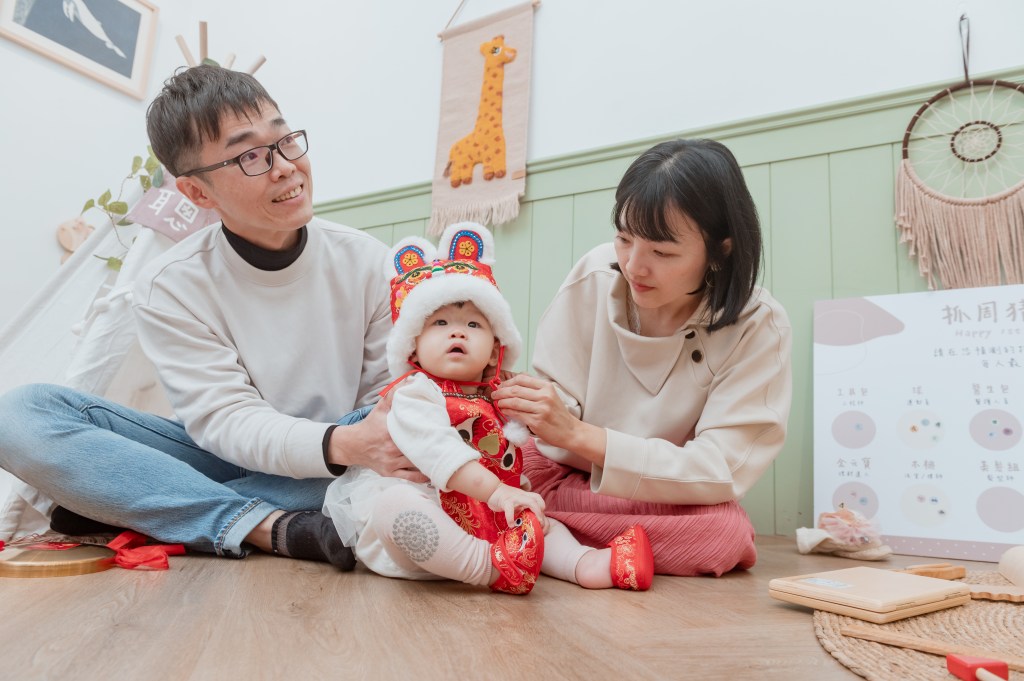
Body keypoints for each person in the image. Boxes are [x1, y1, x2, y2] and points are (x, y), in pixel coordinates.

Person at [0, 65, 423, 567]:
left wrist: (351, 441)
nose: (285, 167)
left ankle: (150, 506)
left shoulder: (369, 260)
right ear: (198, 193)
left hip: (340, 459)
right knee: (19, 414)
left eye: (286, 140)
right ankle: (268, 526)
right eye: (250, 156)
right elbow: (226, 420)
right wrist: (344, 444)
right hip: (232, 459)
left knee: (408, 431)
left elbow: (384, 408)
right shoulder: (169, 284)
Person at [492, 138, 793, 577]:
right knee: (500, 470)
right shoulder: (596, 275)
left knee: (723, 534)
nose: (634, 265)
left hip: (661, 493)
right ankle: (562, 539)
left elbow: (719, 469)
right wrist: (537, 408)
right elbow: (555, 412)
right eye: (624, 238)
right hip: (560, 474)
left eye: (662, 252)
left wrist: (578, 434)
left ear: (721, 249)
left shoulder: (757, 324)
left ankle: (535, 534)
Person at [324, 224, 654, 593]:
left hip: (498, 517)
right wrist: (497, 492)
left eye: (473, 324)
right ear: (412, 348)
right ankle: (489, 567)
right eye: (440, 323)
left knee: (542, 522)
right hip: (429, 523)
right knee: (394, 506)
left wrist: (539, 408)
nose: (457, 332)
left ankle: (587, 565)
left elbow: (545, 424)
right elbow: (438, 451)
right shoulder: (414, 394)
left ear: (495, 350)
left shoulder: (500, 392)